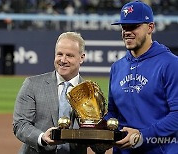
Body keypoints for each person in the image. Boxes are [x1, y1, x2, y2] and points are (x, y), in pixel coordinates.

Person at [104, 1, 178, 154]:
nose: (127, 31)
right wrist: (95, 124)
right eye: (124, 27)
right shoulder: (117, 67)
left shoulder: (170, 64)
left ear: (150, 27)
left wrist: (142, 136)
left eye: (134, 26)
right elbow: (113, 113)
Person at [13, 32, 88, 154]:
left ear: (82, 57)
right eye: (59, 54)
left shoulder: (90, 93)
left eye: (69, 55)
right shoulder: (32, 84)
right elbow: (20, 124)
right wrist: (41, 137)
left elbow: (97, 139)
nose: (63, 60)